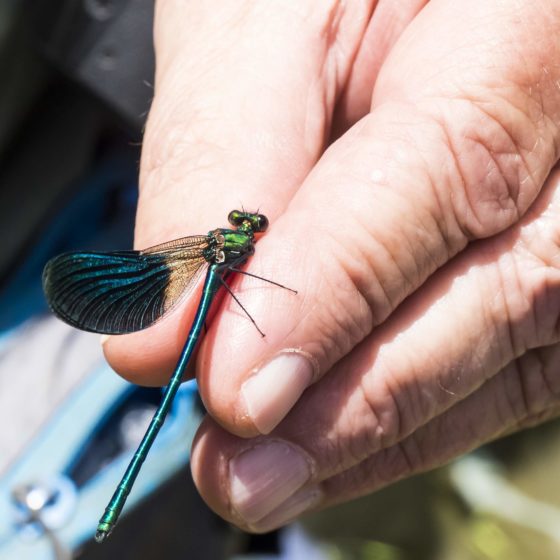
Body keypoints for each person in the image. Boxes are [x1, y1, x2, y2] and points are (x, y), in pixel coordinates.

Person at [102, 1, 560, 533]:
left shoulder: (234, 246)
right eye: (244, 225)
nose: (250, 227)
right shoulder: (220, 247)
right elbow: (252, 285)